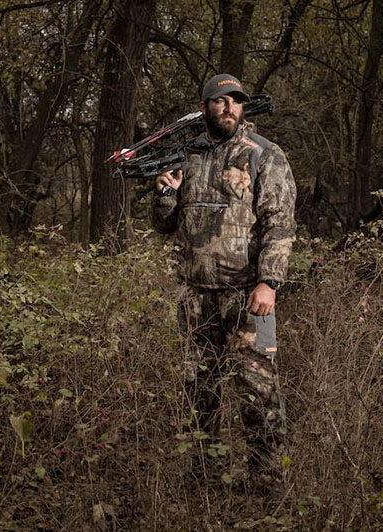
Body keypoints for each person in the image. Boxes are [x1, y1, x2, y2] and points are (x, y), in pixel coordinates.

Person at [150, 74, 297, 477]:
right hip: (196, 297)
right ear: (205, 107)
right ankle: (203, 476)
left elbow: (280, 223)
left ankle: (268, 481)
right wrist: (164, 194)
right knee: (200, 390)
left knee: (259, 391)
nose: (229, 107)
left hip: (250, 298)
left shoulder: (265, 154)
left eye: (236, 100)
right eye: (220, 100)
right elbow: (165, 225)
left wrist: (269, 281)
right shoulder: (188, 156)